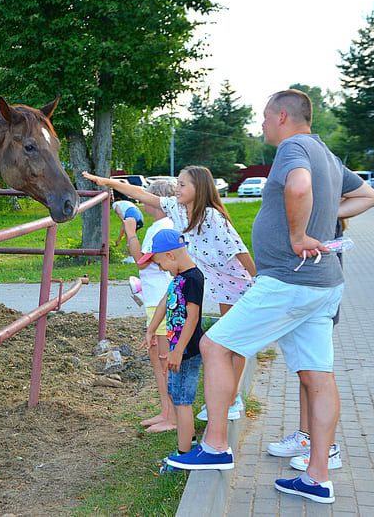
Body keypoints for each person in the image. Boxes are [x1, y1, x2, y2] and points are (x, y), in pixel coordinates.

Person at [165, 89, 374, 505]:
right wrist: (325, 214)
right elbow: (368, 195)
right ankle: (317, 478)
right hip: (323, 284)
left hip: (287, 279)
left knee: (214, 345)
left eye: (264, 117)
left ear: (282, 116)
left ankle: (215, 448)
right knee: (318, 376)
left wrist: (299, 234)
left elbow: (298, 186)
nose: (261, 125)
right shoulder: (327, 155)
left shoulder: (293, 148)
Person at [83, 166, 257, 419]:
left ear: (199, 189)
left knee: (232, 343)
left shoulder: (212, 217)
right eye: (177, 184)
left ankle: (232, 399)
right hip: (219, 287)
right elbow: (140, 193)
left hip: (237, 284)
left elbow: (239, 250)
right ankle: (228, 397)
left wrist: (258, 280)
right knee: (226, 342)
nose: (177, 188)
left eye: (183, 185)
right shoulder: (176, 209)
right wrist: (106, 182)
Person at [268, 218, 347, 472]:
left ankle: (328, 450)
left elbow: (368, 197)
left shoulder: (323, 217)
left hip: (316, 296)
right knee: (307, 374)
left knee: (319, 375)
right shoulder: (310, 214)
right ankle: (306, 436)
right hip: (304, 296)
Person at [139, 229, 205, 467]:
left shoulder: (193, 278)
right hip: (179, 350)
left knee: (182, 401)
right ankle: (191, 443)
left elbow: (193, 317)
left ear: (170, 255)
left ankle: (183, 455)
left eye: (160, 264)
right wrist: (150, 330)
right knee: (177, 396)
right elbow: (164, 303)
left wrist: (178, 351)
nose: (162, 269)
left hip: (186, 353)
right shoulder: (178, 277)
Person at [122, 179, 178, 432]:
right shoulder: (165, 224)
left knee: (163, 359)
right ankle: (166, 411)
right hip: (156, 301)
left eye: (147, 197)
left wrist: (131, 231)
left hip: (160, 302)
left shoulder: (160, 228)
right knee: (156, 357)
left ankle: (173, 416)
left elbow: (141, 261)